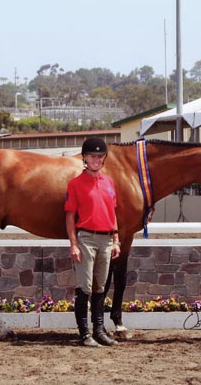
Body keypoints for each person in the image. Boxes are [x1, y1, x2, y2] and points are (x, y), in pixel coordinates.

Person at [64, 137, 121, 347]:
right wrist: (73, 244)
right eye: (92, 156)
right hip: (86, 238)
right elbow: (70, 216)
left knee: (100, 287)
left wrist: (116, 239)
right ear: (85, 158)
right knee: (85, 287)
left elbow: (112, 213)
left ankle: (99, 330)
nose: (96, 160)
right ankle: (84, 333)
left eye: (100, 156)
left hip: (106, 239)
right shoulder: (75, 184)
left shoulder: (109, 182)